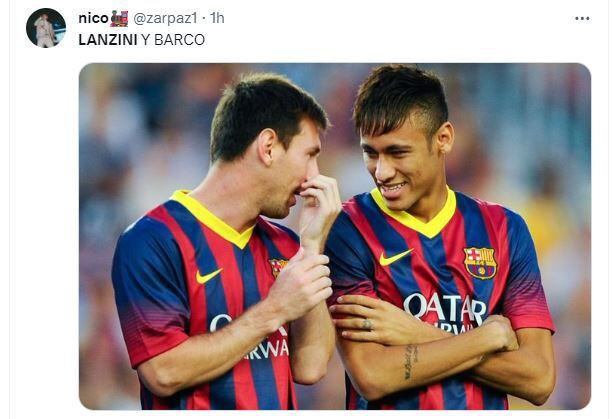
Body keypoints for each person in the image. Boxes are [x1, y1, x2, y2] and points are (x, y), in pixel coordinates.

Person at [325, 64, 556, 410]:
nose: (382, 171)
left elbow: (538, 379)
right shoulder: (350, 229)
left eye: (398, 152)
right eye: (370, 152)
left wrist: (416, 334)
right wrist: (485, 338)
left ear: (443, 139)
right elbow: (372, 375)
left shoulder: (505, 229)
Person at [111, 73, 341, 409]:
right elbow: (163, 372)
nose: (314, 176)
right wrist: (274, 310)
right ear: (268, 147)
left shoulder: (286, 246)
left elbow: (311, 367)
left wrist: (310, 249)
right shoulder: (153, 240)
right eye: (309, 155)